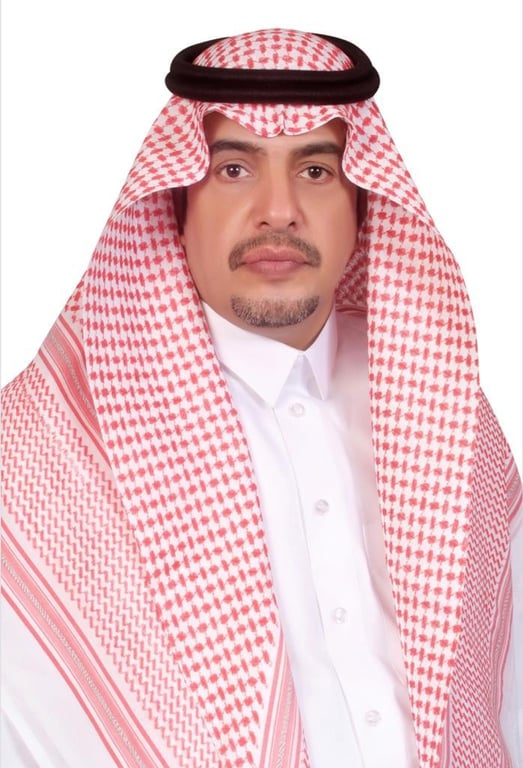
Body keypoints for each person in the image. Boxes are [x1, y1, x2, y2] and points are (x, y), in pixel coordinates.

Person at [1, 27, 521, 768]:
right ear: (177, 202)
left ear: (362, 205)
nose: (278, 209)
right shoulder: (37, 453)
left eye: (315, 169)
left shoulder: (449, 418)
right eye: (234, 168)